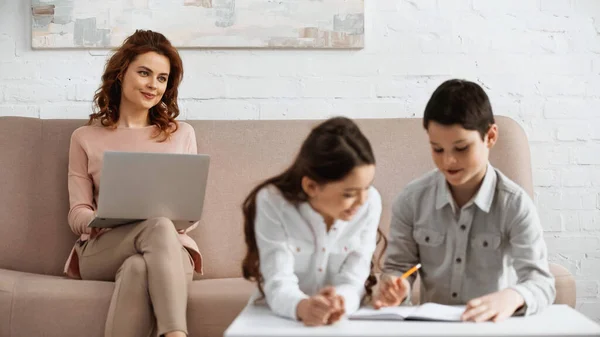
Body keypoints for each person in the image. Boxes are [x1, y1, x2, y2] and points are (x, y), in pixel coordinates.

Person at [375, 79, 555, 323]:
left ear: (490, 136)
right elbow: (398, 268)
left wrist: (512, 296)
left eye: (461, 148)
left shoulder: (515, 204)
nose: (448, 161)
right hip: (433, 329)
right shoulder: (411, 200)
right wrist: (396, 287)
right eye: (437, 149)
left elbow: (541, 283)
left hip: (492, 327)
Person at [64, 29, 201, 337]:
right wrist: (96, 220)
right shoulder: (85, 137)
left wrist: (172, 219)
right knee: (157, 226)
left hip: (170, 250)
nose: (154, 85)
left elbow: (190, 213)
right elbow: (77, 211)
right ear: (121, 73)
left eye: (162, 78)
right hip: (105, 248)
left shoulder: (182, 134)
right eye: (144, 73)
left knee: (142, 261)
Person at [241, 117, 385, 326]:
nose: (362, 201)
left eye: (367, 187)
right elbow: (278, 281)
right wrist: (303, 307)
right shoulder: (272, 202)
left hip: (341, 321)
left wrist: (339, 301)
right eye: (349, 194)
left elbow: (354, 279)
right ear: (311, 186)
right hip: (278, 320)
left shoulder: (370, 202)